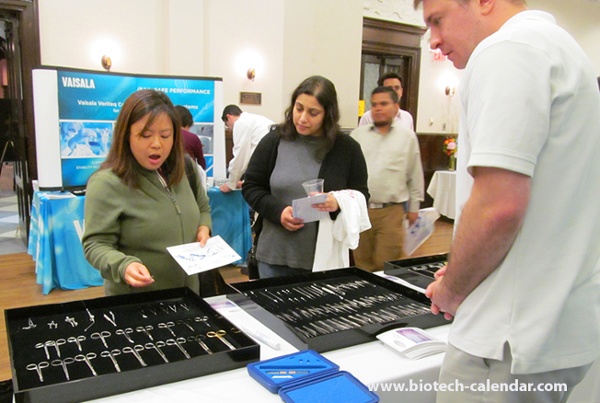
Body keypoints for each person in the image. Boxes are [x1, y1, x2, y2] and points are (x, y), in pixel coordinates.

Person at [415, 0, 600, 401]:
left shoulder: (507, 49)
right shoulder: (562, 49)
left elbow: (499, 207)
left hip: (505, 338)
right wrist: (465, 265)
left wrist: (453, 289)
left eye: (438, 19)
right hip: (554, 316)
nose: (435, 39)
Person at [83, 89, 212, 296]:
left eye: (165, 135)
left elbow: (203, 206)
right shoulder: (107, 183)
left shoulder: (185, 168)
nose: (156, 144)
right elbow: (95, 244)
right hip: (139, 303)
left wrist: (204, 227)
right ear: (126, 136)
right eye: (145, 135)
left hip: (189, 297)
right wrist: (123, 266)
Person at [242, 76, 370, 279]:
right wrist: (279, 212)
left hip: (323, 259)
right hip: (274, 255)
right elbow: (251, 186)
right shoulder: (274, 140)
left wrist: (338, 201)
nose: (302, 118)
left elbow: (362, 195)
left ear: (328, 115)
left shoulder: (347, 149)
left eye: (313, 113)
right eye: (298, 108)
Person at [351, 86, 423, 272]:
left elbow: (415, 175)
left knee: (386, 266)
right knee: (362, 265)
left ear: (395, 107)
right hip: (361, 211)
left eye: (384, 104)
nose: (378, 109)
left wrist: (414, 208)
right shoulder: (358, 135)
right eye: (374, 105)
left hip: (391, 212)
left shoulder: (407, 137)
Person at [220, 105, 273, 192]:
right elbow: (251, 154)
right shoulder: (254, 119)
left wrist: (230, 184)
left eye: (227, 125)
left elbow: (240, 158)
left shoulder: (240, 123)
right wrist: (244, 182)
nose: (229, 129)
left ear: (228, 117)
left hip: (267, 163)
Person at [174, 105, 206, 169]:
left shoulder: (165, 136)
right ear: (187, 124)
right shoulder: (193, 138)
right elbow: (201, 162)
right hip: (189, 173)